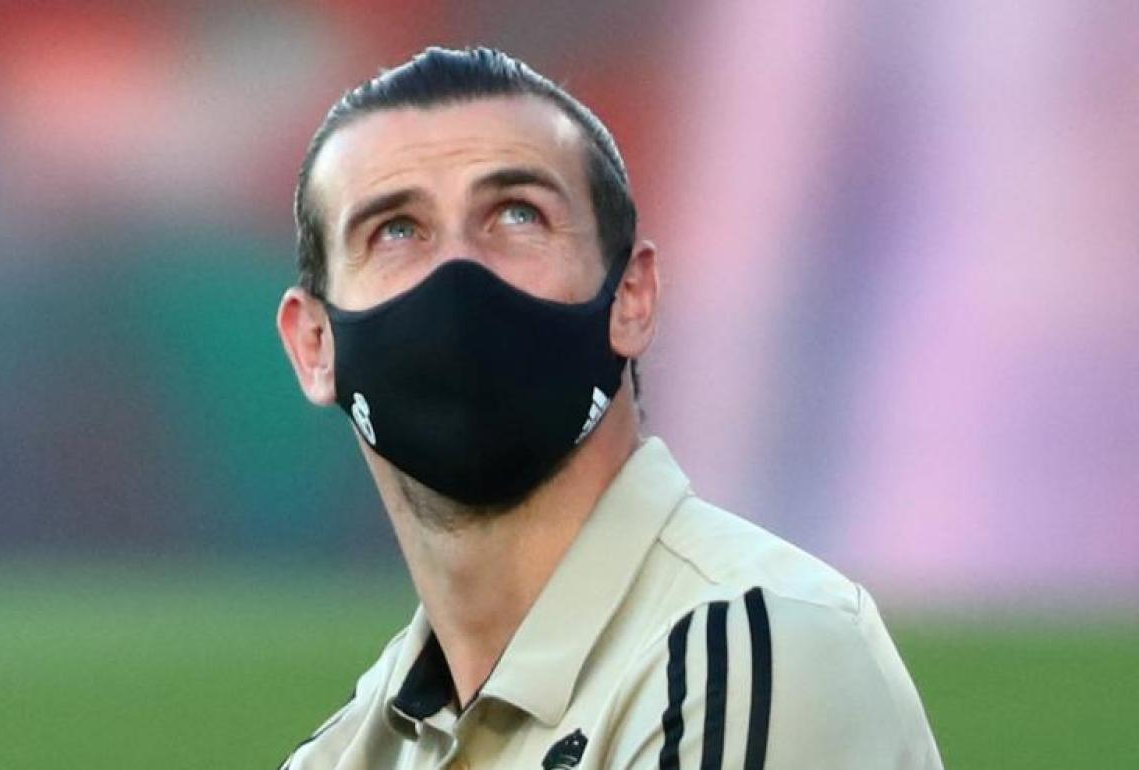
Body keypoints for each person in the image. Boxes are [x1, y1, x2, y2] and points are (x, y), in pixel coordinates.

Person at [275, 46, 942, 770]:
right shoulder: (347, 752)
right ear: (315, 345)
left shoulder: (752, 653)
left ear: (632, 298)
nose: (457, 272)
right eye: (397, 230)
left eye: (517, 214)